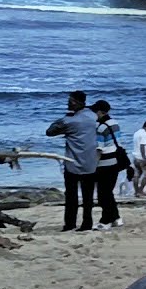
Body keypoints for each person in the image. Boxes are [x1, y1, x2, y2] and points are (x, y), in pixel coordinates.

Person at [46, 91, 99, 232]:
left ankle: (70, 224)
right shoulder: (94, 117)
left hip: (72, 163)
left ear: (79, 102)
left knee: (71, 197)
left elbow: (50, 132)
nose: (68, 103)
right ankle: (87, 223)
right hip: (91, 163)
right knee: (88, 198)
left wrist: (63, 118)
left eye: (71, 101)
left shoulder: (69, 121)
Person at [90, 100, 126, 229]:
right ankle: (116, 218)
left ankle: (105, 221)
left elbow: (99, 149)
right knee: (108, 193)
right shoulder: (114, 123)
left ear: (99, 112)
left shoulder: (100, 128)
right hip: (115, 162)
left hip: (104, 164)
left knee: (102, 195)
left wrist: (93, 165)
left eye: (94, 111)